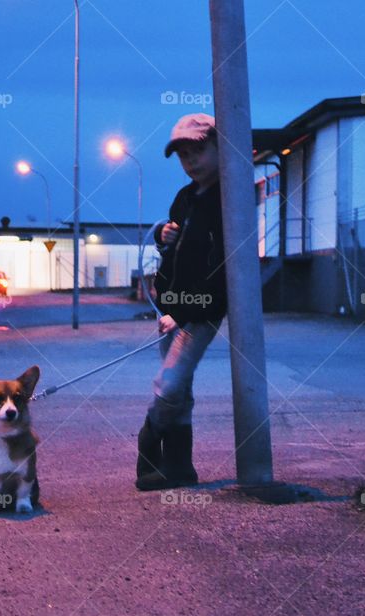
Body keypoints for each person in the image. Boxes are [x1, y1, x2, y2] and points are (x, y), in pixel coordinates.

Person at [135, 113, 228, 491]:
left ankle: (148, 435)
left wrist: (185, 312)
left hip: (200, 313)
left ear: (222, 148)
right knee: (182, 388)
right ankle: (179, 468)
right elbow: (172, 255)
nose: (191, 161)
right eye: (183, 155)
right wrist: (163, 237)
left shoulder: (228, 199)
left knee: (169, 384)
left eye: (199, 151)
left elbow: (222, 265)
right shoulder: (184, 198)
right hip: (170, 309)